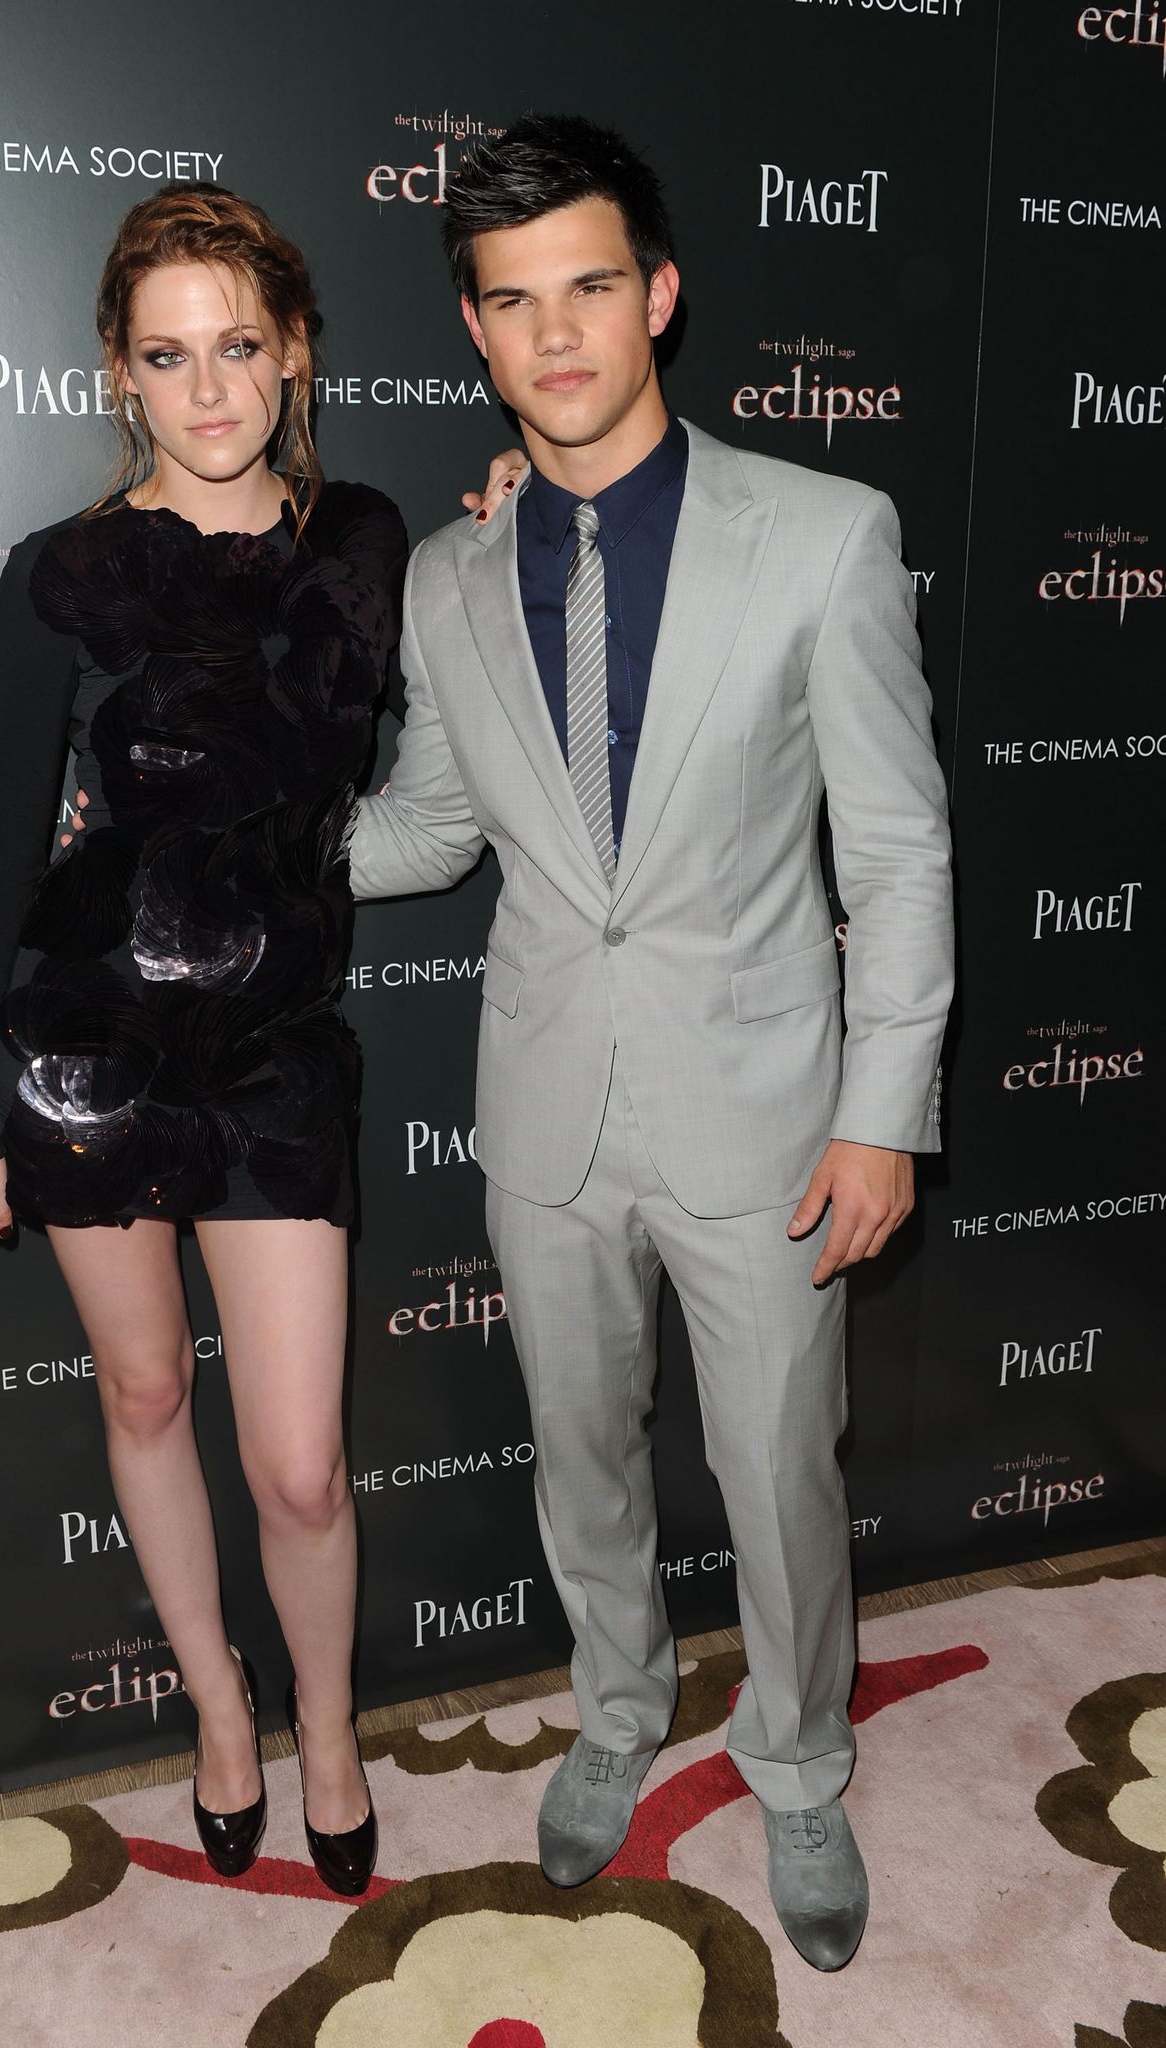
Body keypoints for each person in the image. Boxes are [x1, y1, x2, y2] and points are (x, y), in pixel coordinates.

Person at [349, 114, 954, 1970]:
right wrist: (219, 843)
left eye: (591, 286)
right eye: (514, 301)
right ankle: (616, 1712)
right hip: (546, 1108)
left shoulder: (828, 536)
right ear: (473, 328)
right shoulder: (444, 577)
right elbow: (429, 829)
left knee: (779, 1476)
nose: (557, 334)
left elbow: (898, 849)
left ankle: (798, 1763)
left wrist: (883, 1113)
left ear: (660, 295)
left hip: (768, 1112)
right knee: (581, 1460)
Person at [0, 182, 516, 1894]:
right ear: (120, 371)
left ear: (297, 353)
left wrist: (522, 514)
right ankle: (217, 1709)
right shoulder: (56, 578)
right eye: (169, 355)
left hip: (275, 1054)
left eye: (240, 347)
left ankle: (329, 1725)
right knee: (141, 1390)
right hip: (82, 1047)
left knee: (303, 1468)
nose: (209, 389)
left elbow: (491, 652)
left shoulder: (369, 545)